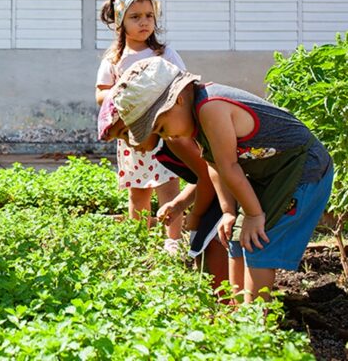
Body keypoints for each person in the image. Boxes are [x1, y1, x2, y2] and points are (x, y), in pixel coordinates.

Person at [113, 57, 333, 302]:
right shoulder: (195, 119)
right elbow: (214, 166)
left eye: (162, 128)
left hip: (301, 168)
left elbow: (229, 166)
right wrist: (229, 211)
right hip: (269, 174)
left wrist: (253, 214)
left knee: (257, 242)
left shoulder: (211, 107)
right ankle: (237, 316)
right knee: (236, 239)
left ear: (178, 100)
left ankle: (256, 323)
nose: (167, 136)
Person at [98, 94, 228, 292]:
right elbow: (204, 177)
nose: (130, 144)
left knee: (215, 244)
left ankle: (234, 308)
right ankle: (224, 305)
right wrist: (180, 205)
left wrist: (195, 215)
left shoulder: (174, 139)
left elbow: (210, 176)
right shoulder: (163, 144)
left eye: (127, 133)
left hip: (230, 193)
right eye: (123, 139)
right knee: (204, 247)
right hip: (221, 191)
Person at [95, 0, 183, 253]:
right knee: (138, 190)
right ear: (121, 23)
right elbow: (101, 93)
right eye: (135, 17)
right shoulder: (115, 59)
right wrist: (124, 94)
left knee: (169, 184)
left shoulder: (164, 54)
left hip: (164, 134)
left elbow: (182, 84)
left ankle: (173, 240)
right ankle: (139, 241)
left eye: (149, 16)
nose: (144, 22)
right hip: (132, 138)